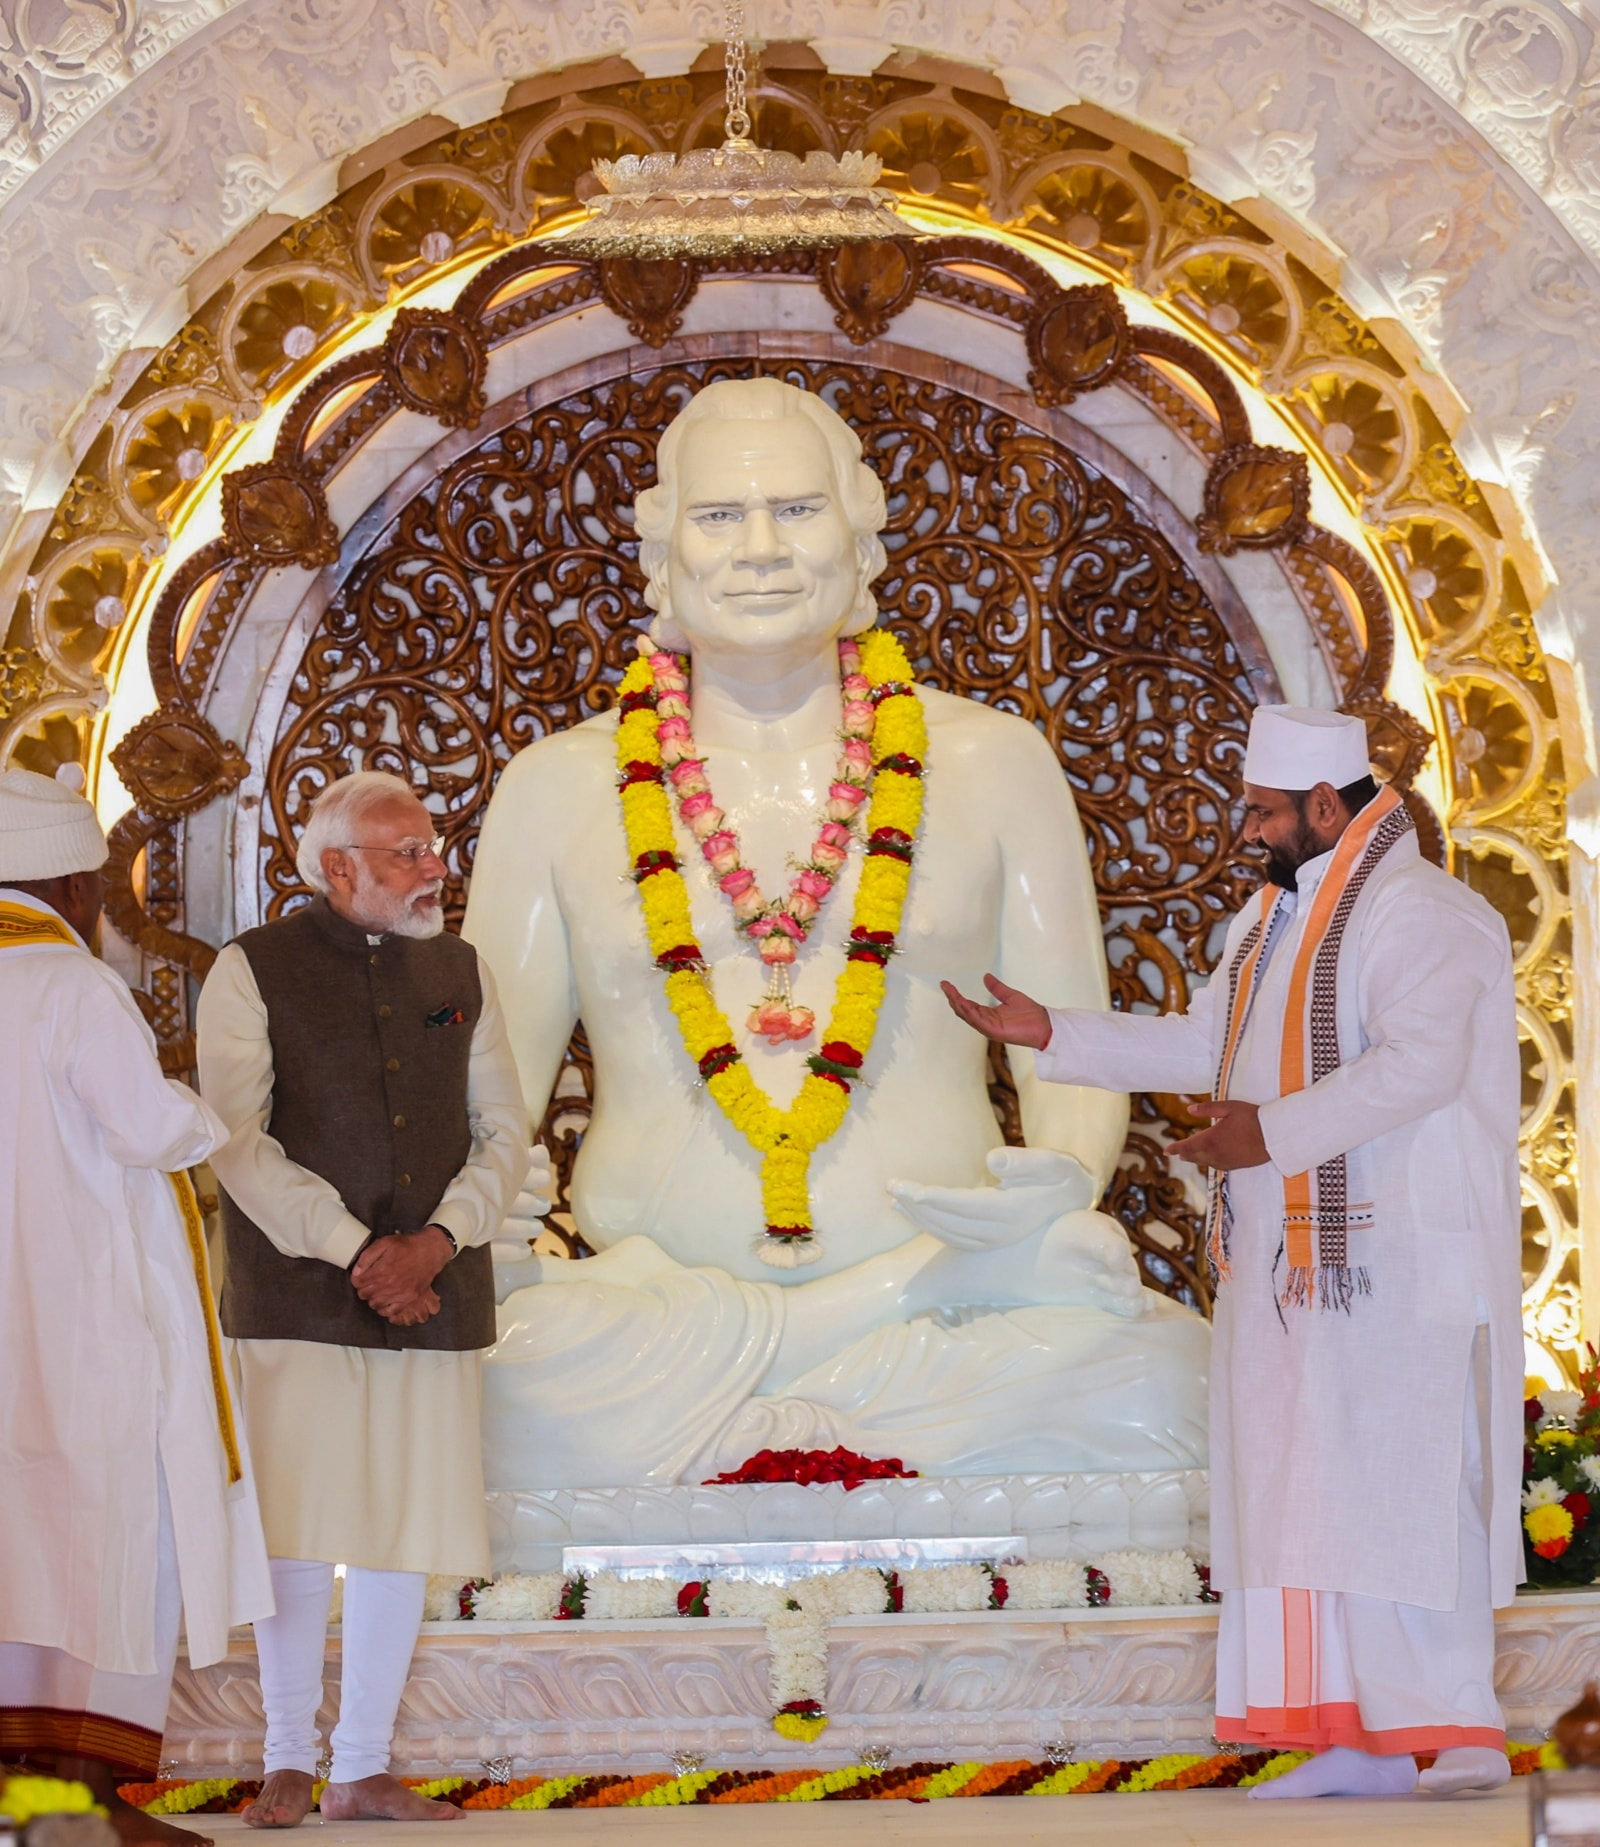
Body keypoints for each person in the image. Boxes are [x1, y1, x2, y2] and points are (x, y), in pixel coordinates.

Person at [942, 706, 1523, 1800]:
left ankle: (1458, 1727)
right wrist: (1053, 1033)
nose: (1245, 829)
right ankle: (1359, 1736)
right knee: (1307, 1487)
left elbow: (1420, 1067)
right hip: (1291, 1266)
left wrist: (1269, 1131)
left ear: (1322, 804)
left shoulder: (1425, 914)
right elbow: (1208, 1042)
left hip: (1397, 1258)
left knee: (1403, 1484)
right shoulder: (1265, 923)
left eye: (1261, 810)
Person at [195, 771, 535, 1828]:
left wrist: (434, 1242)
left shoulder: (459, 969)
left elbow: (504, 1131)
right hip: (295, 1293)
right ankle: (287, 1755)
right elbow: (236, 1143)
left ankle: (363, 1765)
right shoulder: (251, 970)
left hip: (432, 1292)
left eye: (432, 847)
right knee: (294, 1530)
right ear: (338, 865)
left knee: (400, 1529)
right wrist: (359, 1251)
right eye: (407, 852)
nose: (435, 868)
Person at [0, 767, 272, 1846]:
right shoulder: (68, 985)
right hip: (88, 1327)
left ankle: (30, 1801)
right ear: (72, 881)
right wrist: (216, 1114)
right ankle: (87, 1804)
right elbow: (150, 1129)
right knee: (109, 1540)